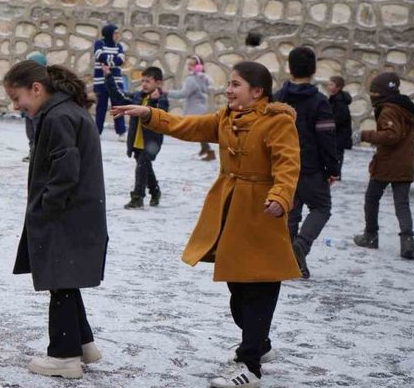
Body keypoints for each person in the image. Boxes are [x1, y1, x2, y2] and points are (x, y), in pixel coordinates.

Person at [113, 61, 301, 388]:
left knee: (258, 287)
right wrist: (149, 115)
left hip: (261, 215)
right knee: (237, 288)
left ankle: (250, 365)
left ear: (257, 91)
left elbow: (288, 164)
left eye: (235, 85)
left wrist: (280, 197)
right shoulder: (226, 118)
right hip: (229, 211)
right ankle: (259, 342)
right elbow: (188, 126)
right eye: (229, 84)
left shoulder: (277, 122)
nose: (227, 90)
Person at [3, 60, 108, 380]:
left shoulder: (58, 116)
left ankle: (64, 355)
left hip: (66, 214)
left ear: (36, 89)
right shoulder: (65, 111)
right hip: (77, 212)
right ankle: (83, 341)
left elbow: (65, 168)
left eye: (16, 97)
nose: (16, 105)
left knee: (59, 279)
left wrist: (47, 205)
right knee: (65, 277)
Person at [273, 46, 339, 279]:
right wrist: (333, 168)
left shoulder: (278, 98)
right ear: (313, 70)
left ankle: (286, 259)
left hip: (282, 166)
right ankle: (300, 247)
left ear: (289, 68)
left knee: (290, 213)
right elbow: (326, 138)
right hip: (311, 168)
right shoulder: (320, 102)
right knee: (321, 208)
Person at [353, 72, 414, 260]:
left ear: (380, 92)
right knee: (402, 204)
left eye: (374, 91)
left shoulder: (388, 109)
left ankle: (370, 235)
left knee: (371, 199)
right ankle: (408, 242)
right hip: (404, 164)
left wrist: (365, 135)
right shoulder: (406, 108)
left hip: (387, 164)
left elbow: (391, 136)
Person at [103, 64, 169, 209]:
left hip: (151, 142)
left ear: (158, 83)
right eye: (143, 81)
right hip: (137, 140)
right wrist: (108, 77)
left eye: (148, 81)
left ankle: (137, 197)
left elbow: (160, 115)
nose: (144, 84)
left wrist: (153, 100)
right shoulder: (138, 96)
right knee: (145, 167)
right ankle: (155, 191)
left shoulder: (161, 100)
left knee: (141, 168)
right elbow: (119, 96)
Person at [166, 55, 214, 161]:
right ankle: (205, 149)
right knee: (199, 131)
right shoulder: (203, 78)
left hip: (195, 110)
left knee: (198, 132)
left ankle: (209, 151)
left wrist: (167, 92)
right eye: (189, 64)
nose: (189, 66)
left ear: (198, 66)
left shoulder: (191, 79)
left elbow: (183, 94)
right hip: (201, 109)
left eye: (192, 64)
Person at [92, 23, 127, 140]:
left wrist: (107, 61)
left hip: (116, 81)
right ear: (109, 34)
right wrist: (112, 60)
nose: (117, 35)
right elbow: (99, 56)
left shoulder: (119, 46)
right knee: (101, 107)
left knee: (118, 106)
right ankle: (97, 132)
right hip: (101, 81)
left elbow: (121, 60)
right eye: (115, 33)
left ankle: (121, 132)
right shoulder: (99, 44)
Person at [22, 52, 47, 162]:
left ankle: (38, 154)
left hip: (39, 112)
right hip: (29, 112)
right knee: (30, 133)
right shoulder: (26, 81)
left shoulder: (45, 83)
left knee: (38, 133)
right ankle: (32, 152)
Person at [327, 76, 352, 177]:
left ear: (338, 87)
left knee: (337, 154)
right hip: (336, 134)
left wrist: (329, 125)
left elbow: (339, 119)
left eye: (331, 84)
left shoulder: (340, 102)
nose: (328, 86)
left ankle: (336, 174)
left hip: (339, 134)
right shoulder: (334, 99)